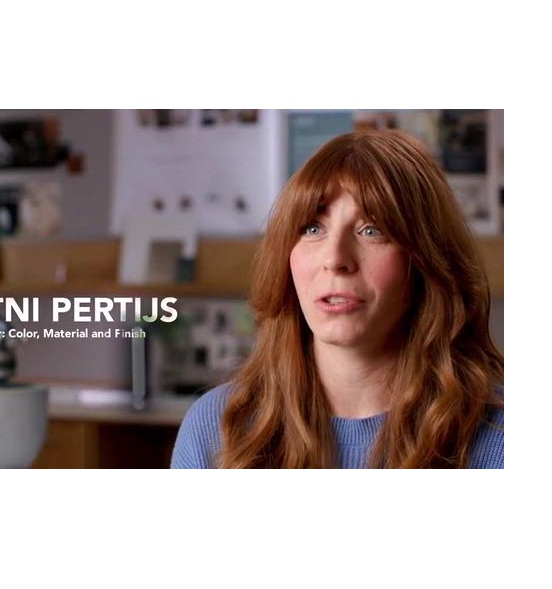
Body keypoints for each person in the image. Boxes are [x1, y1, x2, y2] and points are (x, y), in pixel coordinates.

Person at [171, 129, 504, 469]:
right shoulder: (215, 428)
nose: (335, 259)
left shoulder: (501, 436)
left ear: (425, 261)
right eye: (312, 228)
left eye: (372, 230)